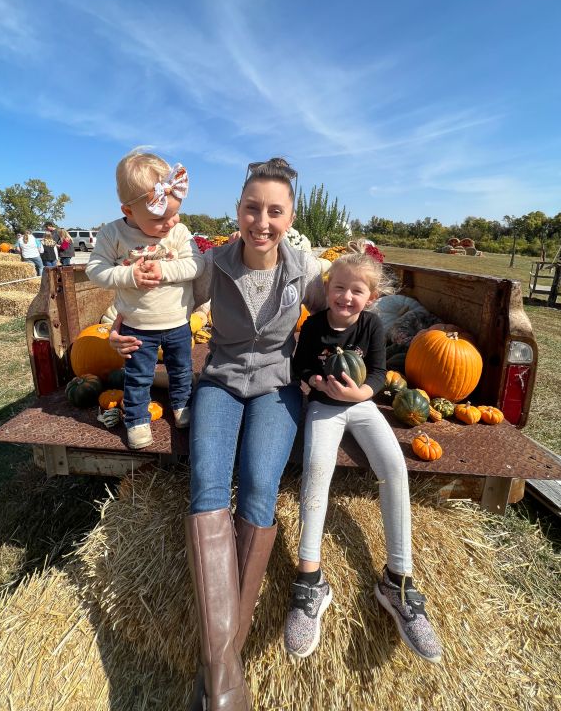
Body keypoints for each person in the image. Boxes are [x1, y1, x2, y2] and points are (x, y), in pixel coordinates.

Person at [110, 158, 326, 710]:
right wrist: (118, 330)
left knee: (257, 491)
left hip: (277, 388)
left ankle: (217, 682)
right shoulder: (212, 264)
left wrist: (367, 358)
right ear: (238, 211)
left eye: (275, 210)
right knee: (207, 488)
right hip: (221, 383)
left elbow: (345, 313)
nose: (262, 220)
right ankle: (226, 678)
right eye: (253, 208)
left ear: (289, 215)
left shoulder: (305, 269)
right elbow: (160, 307)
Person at [283, 246, 443, 664]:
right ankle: (310, 579)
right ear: (328, 288)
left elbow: (375, 372)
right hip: (323, 406)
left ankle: (399, 580)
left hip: (362, 404)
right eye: (339, 288)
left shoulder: (371, 325)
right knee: (317, 470)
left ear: (370, 297)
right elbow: (300, 366)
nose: (346, 297)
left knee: (394, 467)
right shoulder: (315, 324)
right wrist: (316, 382)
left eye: (356, 291)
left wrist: (361, 393)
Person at [86, 150, 204, 449]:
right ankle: (137, 420)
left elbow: (196, 265)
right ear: (128, 211)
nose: (170, 222)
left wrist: (163, 269)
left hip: (177, 320)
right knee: (138, 377)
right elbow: (95, 269)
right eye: (159, 217)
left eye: (175, 213)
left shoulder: (178, 232)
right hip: (137, 324)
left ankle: (182, 407)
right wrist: (129, 276)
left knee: (180, 369)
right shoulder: (113, 234)